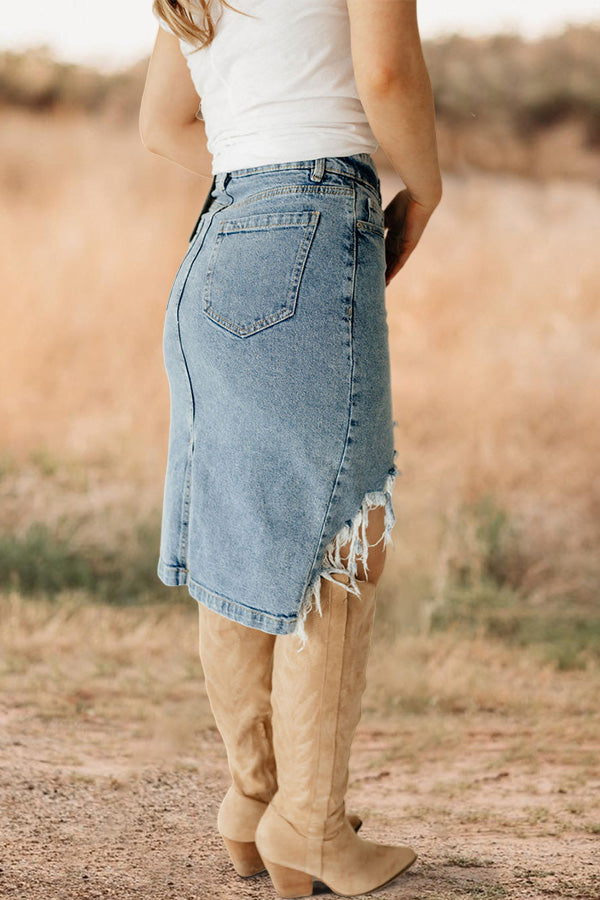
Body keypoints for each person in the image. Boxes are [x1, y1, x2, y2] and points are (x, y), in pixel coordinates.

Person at [140, 0, 442, 895]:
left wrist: (258, 176)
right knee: (338, 538)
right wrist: (426, 187)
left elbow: (160, 124)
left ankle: (255, 802)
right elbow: (385, 75)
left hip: (221, 237)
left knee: (243, 518)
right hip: (310, 232)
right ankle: (309, 828)